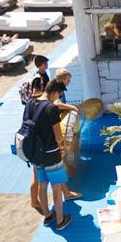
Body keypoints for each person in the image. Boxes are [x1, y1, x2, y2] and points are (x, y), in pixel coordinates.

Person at [28, 80, 75, 230]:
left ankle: (48, 216)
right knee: (56, 187)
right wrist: (62, 148)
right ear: (54, 92)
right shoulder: (51, 109)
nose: (58, 97)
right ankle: (60, 220)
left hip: (35, 153)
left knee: (42, 185)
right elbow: (58, 137)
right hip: (50, 153)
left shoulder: (31, 103)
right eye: (59, 94)